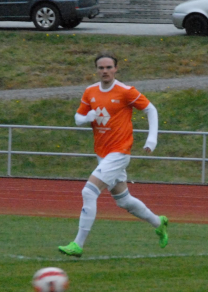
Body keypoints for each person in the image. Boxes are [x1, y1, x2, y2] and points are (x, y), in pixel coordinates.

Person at [58, 53, 168, 257]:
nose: (105, 71)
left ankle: (77, 244)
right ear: (96, 70)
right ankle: (158, 222)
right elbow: (78, 117)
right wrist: (86, 118)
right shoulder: (90, 91)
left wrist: (152, 139)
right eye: (101, 68)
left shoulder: (126, 91)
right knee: (123, 200)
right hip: (102, 153)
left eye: (109, 67)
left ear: (116, 69)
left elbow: (151, 110)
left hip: (119, 152)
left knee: (89, 192)